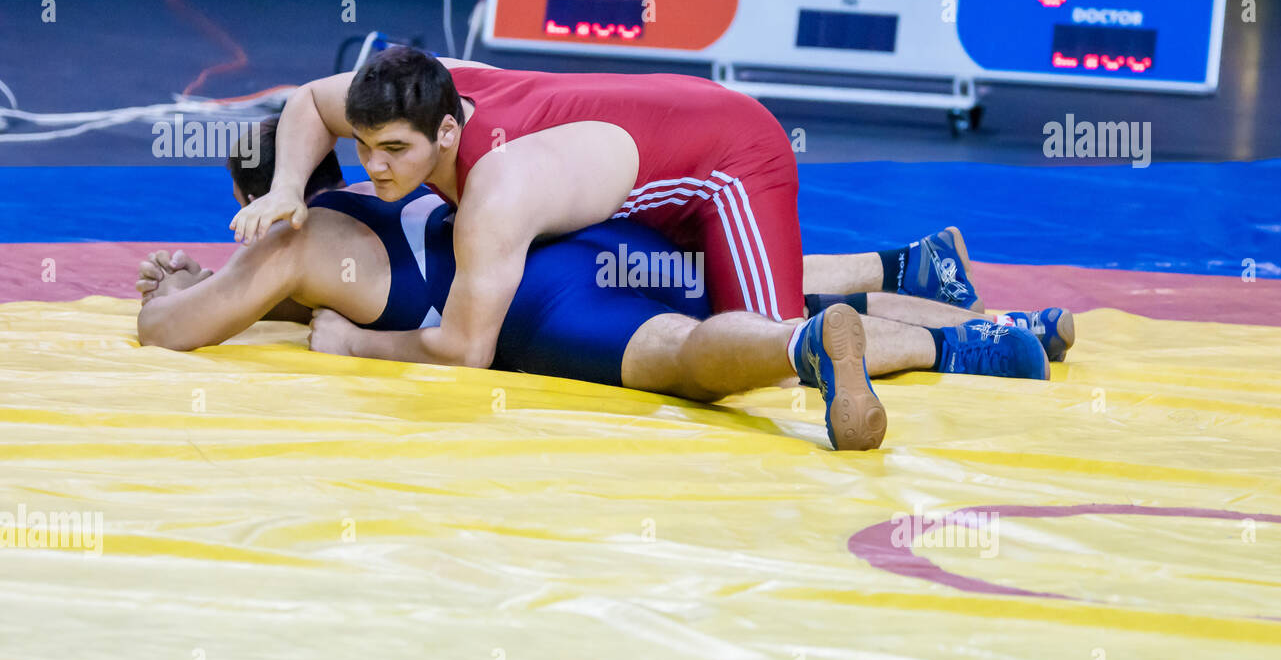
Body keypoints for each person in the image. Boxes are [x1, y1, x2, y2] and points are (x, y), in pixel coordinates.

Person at [138, 120, 1059, 452]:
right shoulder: (395, 171)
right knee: (732, 281)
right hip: (583, 240)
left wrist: (168, 292)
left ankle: (809, 348)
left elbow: (180, 330)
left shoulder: (285, 246)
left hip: (539, 309)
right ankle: (994, 329)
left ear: (246, 200)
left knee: (683, 356)